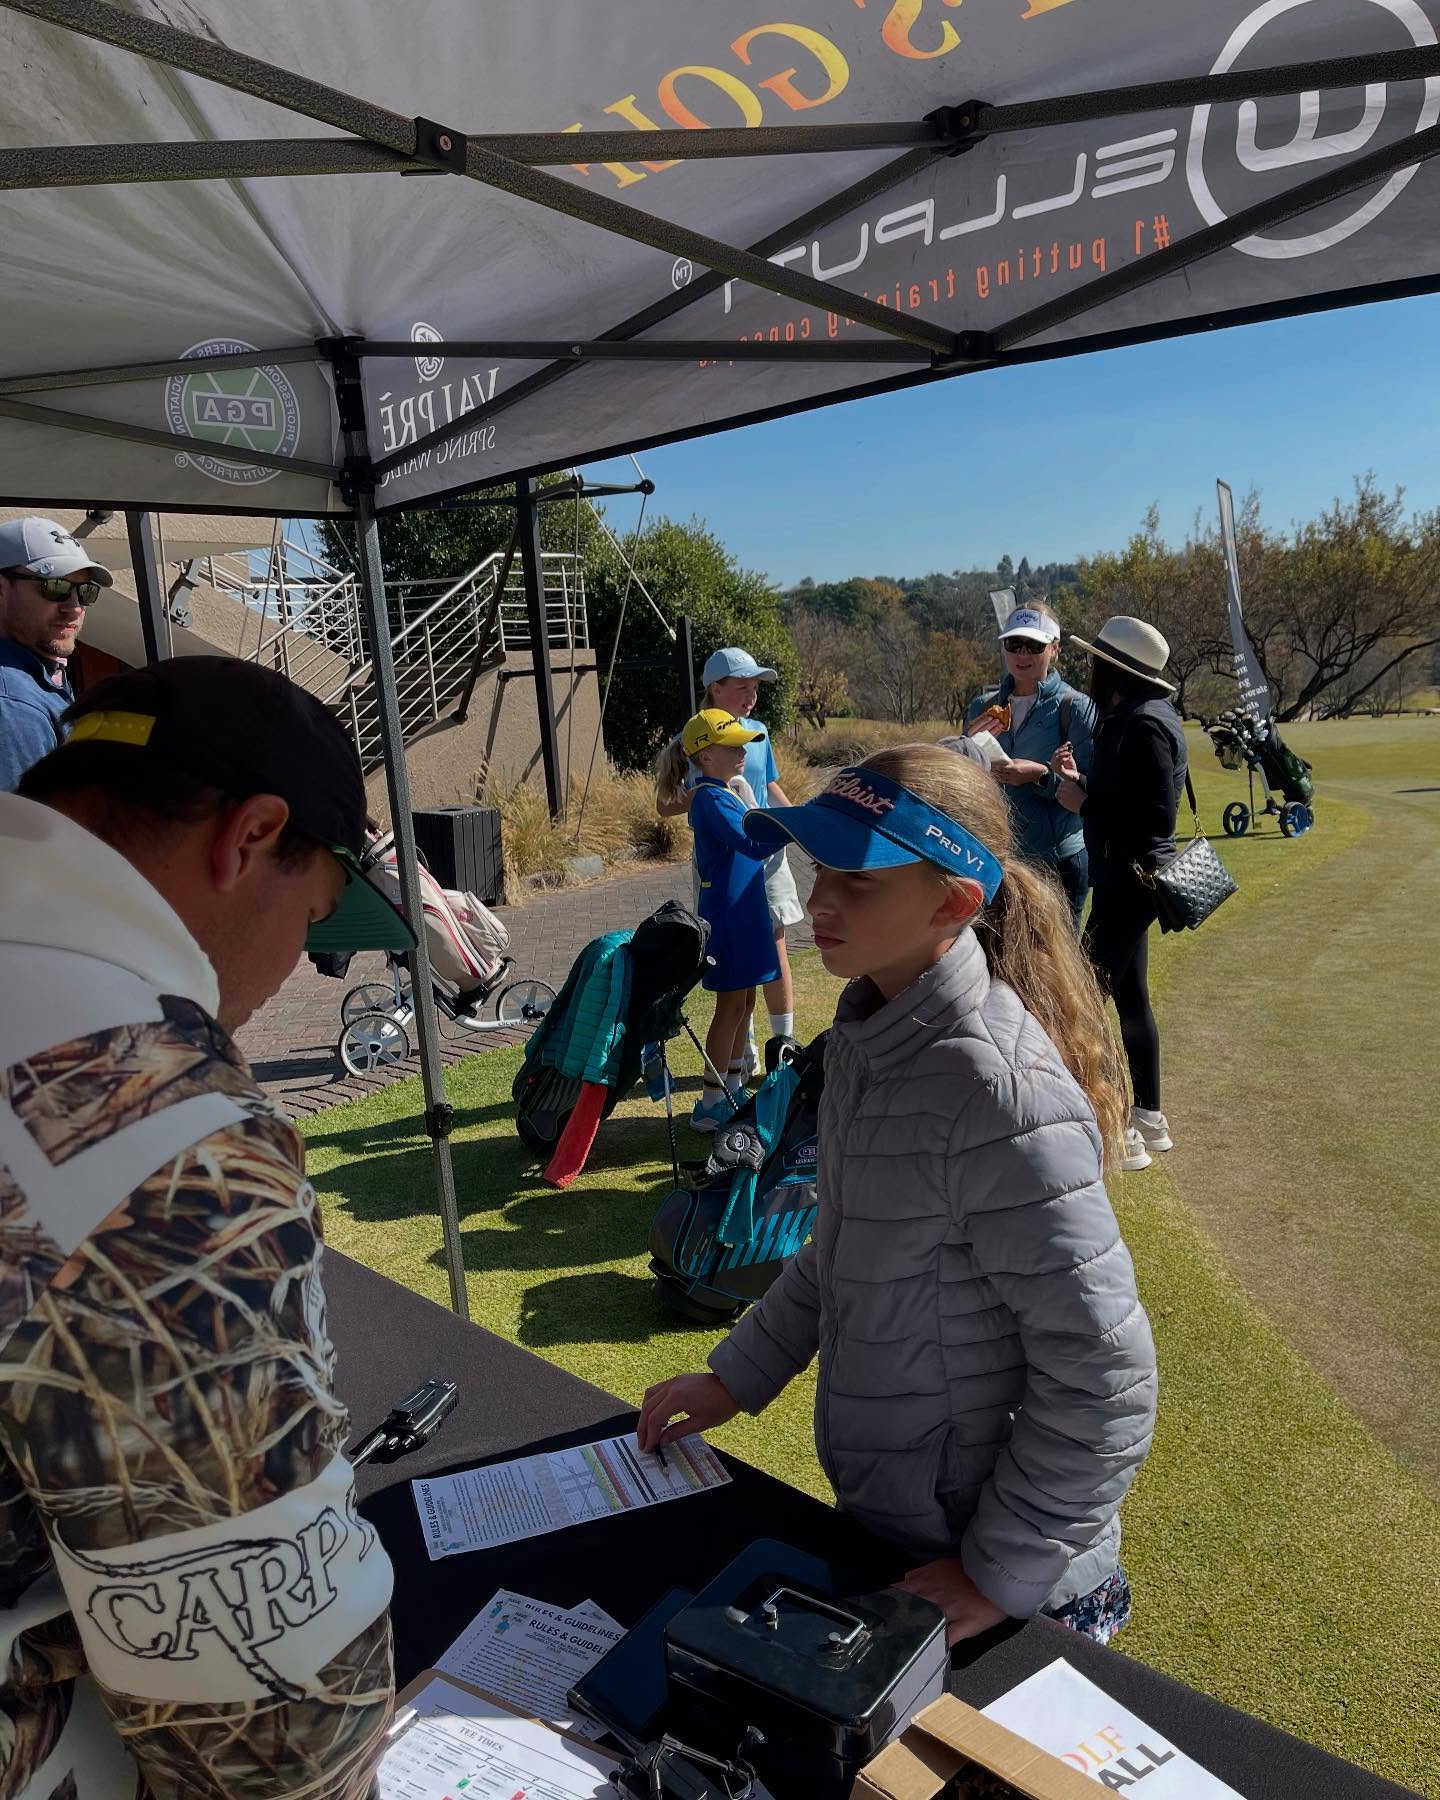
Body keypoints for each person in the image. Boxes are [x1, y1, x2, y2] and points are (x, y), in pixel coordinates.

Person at [0, 656, 419, 1796]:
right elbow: (270, 1723)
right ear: (250, 839)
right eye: (315, 918)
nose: (287, 972)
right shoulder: (160, 1130)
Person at [639, 746, 1157, 1648]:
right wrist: (734, 1376)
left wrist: (998, 1568)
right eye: (818, 869)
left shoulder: (1000, 1095)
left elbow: (1104, 1376)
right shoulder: (869, 1037)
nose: (821, 901)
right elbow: (836, 1249)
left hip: (1007, 1590)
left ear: (954, 902)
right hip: (903, 1543)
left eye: (858, 878)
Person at [1052, 617, 1187, 1174]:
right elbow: (1129, 796)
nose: (1089, 668)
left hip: (1129, 882)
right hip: (1125, 879)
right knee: (1129, 995)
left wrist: (1084, 804)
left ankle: (1121, 1128)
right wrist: (1083, 783)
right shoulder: (1137, 718)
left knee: (1082, 993)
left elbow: (1155, 817)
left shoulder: (1144, 723)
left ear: (1114, 669)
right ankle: (1148, 1118)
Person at [655, 648, 802, 1067]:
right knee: (740, 966)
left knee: (773, 947)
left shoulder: (757, 733)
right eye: (742, 687)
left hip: (765, 847)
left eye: (755, 688)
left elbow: (770, 787)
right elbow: (666, 805)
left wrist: (798, 825)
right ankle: (742, 1057)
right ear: (714, 688)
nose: (751, 696)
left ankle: (783, 1047)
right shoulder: (696, 738)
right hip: (731, 856)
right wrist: (703, 798)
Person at [953, 603, 1095, 932]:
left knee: (1054, 967)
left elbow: (1089, 786)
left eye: (1034, 645)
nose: (1022, 653)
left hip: (1055, 860)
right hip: (995, 857)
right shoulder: (983, 706)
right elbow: (961, 779)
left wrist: (1039, 775)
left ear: (1055, 649)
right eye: (1013, 644)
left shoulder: (1075, 707)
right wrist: (969, 751)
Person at [681, 707, 780, 1132]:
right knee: (729, 1005)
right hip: (728, 914)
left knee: (746, 1001)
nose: (742, 751)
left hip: (746, 908)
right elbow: (752, 842)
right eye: (731, 744)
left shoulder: (725, 793)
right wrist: (796, 825)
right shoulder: (710, 799)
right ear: (705, 755)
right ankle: (709, 1103)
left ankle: (732, 1086)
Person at [0, 515, 111, 792]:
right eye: (55, 586)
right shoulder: (15, 703)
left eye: (85, 591)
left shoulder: (39, 673)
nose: (74, 607)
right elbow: (20, 833)